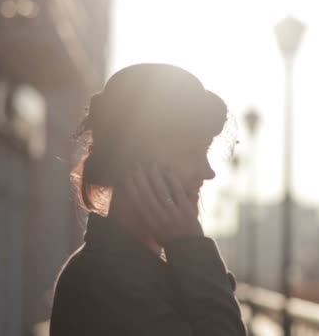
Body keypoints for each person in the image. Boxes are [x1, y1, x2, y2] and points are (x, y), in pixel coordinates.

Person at [49, 63, 247, 335]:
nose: (207, 171)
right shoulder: (102, 282)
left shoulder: (138, 270)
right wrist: (192, 248)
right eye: (190, 152)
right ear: (134, 162)